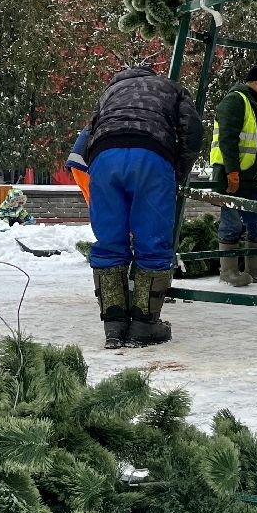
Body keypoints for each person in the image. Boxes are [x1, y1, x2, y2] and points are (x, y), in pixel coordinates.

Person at [84, 65, 203, 348]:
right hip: (151, 156)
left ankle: (113, 326)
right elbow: (192, 130)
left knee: (109, 241)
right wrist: (179, 170)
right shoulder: (171, 88)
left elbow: (90, 130)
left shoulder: (110, 91)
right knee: (152, 240)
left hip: (104, 157)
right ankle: (144, 324)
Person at [211, 65, 257, 286]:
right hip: (236, 176)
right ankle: (228, 272)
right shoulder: (236, 101)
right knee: (231, 222)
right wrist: (232, 171)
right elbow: (227, 139)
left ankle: (256, 268)